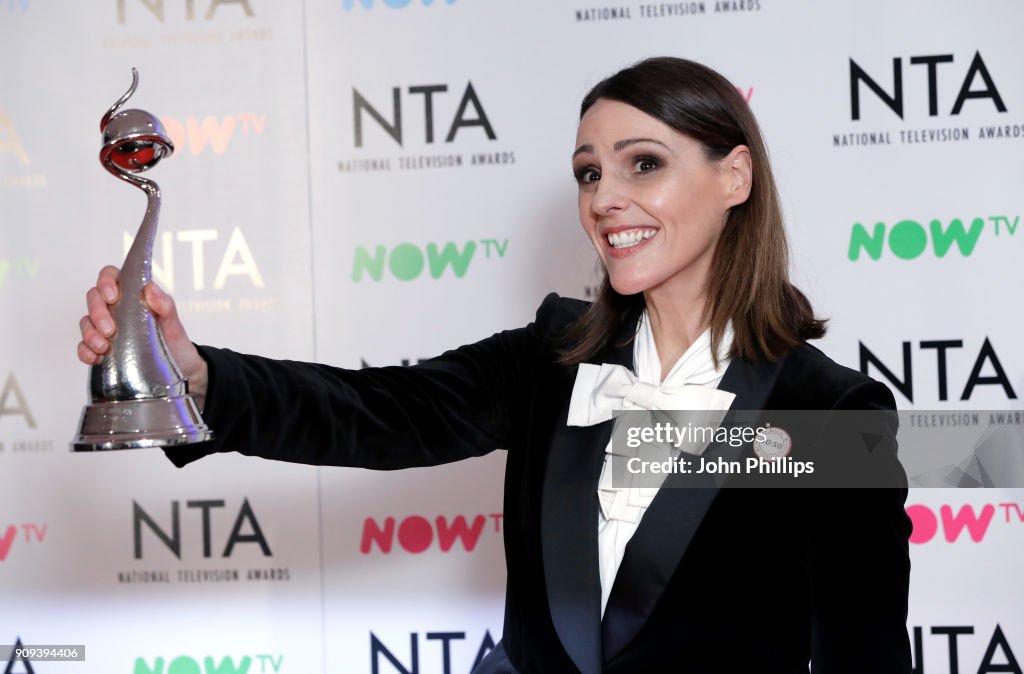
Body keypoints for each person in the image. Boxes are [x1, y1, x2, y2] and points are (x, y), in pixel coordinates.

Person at [78, 57, 912, 673]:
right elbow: (375, 410)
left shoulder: (825, 413)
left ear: (735, 176)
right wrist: (191, 373)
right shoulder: (552, 359)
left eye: (643, 163)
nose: (604, 197)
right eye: (589, 172)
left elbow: (862, 655)